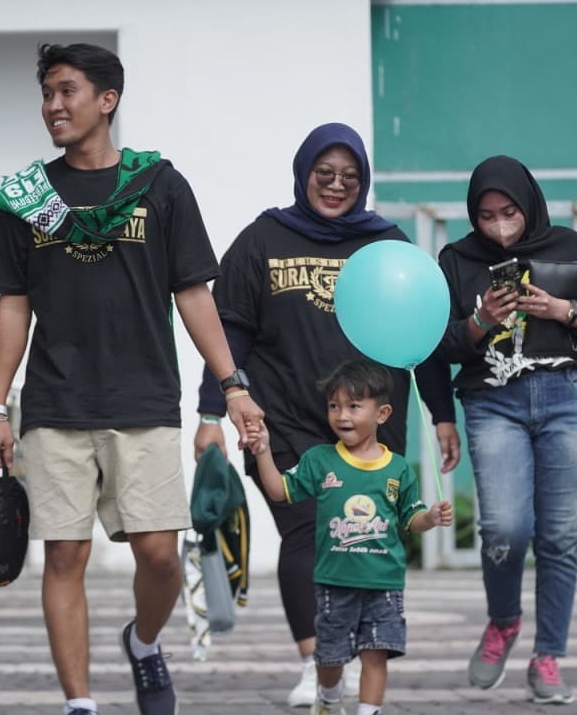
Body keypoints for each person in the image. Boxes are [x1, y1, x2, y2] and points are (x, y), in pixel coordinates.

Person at [0, 43, 263, 715]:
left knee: (160, 555)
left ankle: (143, 641)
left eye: (67, 91)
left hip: (144, 398)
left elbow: (194, 295)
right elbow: (13, 306)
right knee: (63, 559)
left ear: (108, 99)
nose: (53, 106)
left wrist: (233, 383)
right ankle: (80, 703)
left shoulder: (160, 186)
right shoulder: (28, 197)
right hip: (55, 401)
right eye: (47, 93)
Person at [192, 122, 461, 707]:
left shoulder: (386, 243)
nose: (336, 186)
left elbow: (423, 330)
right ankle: (317, 663)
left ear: (362, 183)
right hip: (282, 415)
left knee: (357, 537)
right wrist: (212, 412)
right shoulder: (263, 239)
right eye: (325, 174)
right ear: (304, 173)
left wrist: (443, 413)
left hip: (370, 424)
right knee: (304, 529)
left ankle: (352, 658)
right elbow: (229, 328)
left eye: (350, 177)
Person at [434, 155, 577, 704]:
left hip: (566, 399)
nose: (499, 224)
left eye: (509, 211)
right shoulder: (455, 260)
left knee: (561, 536)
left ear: (529, 205)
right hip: (493, 402)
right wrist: (479, 323)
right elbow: (434, 346)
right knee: (503, 527)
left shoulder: (568, 245)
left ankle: (548, 658)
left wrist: (562, 309)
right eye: (486, 214)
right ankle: (503, 622)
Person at [248, 359, 453, 715]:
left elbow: (411, 517)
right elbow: (280, 491)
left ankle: (368, 710)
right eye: (334, 406)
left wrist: (431, 517)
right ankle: (328, 697)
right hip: (334, 583)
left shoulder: (397, 468)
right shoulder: (319, 461)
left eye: (354, 406)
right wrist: (264, 450)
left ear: (383, 413)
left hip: (384, 583)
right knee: (329, 656)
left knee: (376, 653)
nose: (342, 415)